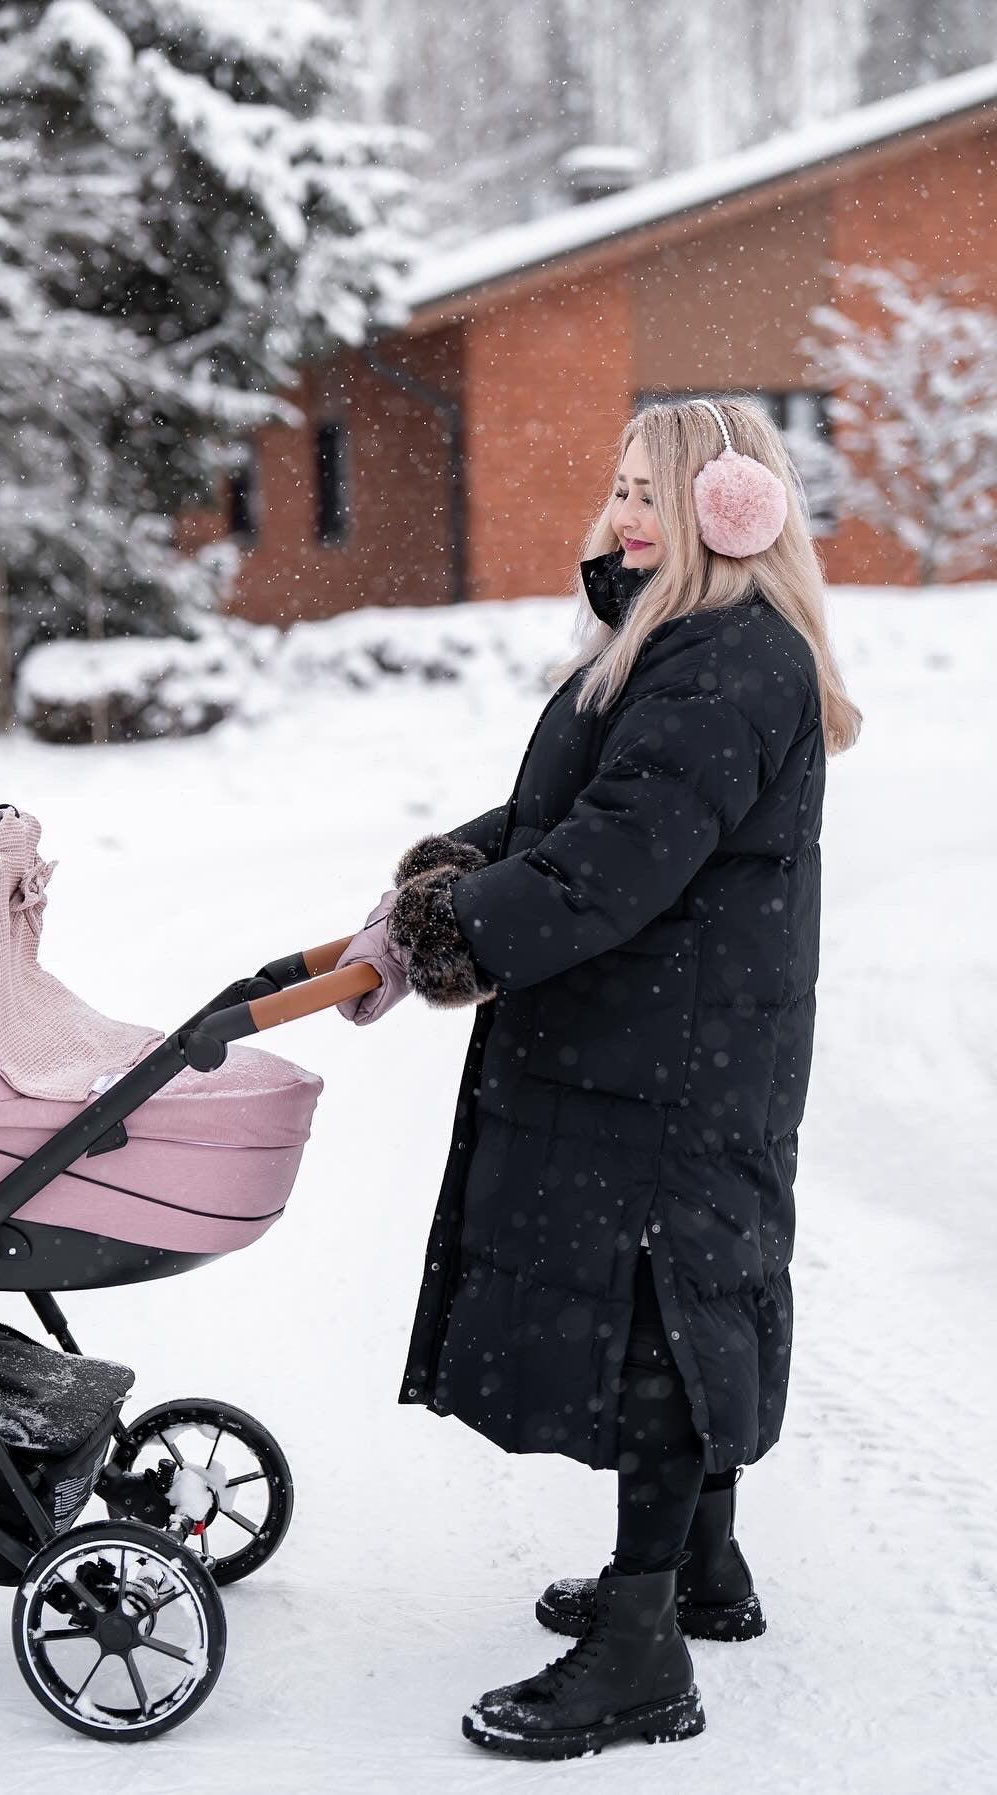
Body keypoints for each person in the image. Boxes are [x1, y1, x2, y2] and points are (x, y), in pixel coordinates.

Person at [336, 395, 861, 1760]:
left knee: (660, 1315)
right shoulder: (679, 647)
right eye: (621, 486)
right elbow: (555, 820)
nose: (626, 514)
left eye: (654, 493)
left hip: (671, 1059)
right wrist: (431, 890)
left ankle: (640, 1653)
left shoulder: (726, 664)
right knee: (679, 1296)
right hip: (662, 1041)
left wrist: (456, 936)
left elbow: (609, 864)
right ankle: (701, 1571)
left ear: (729, 510)